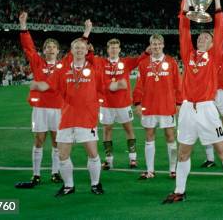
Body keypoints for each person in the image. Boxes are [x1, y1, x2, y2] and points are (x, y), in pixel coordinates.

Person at [163, 0, 223, 206]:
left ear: (212, 44)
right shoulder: (188, 54)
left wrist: (217, 1)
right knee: (183, 152)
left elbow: (220, 29)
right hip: (188, 110)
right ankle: (179, 191)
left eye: (206, 38)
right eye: (200, 36)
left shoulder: (216, 57)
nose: (201, 38)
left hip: (208, 109)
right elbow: (183, 28)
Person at [14, 13, 90, 189]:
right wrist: (23, 25)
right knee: (39, 140)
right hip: (40, 108)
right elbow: (28, 48)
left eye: (53, 47)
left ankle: (55, 173)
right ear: (44, 50)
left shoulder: (63, 65)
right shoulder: (37, 63)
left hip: (58, 109)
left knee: (57, 141)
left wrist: (86, 32)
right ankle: (36, 175)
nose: (50, 49)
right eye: (47, 47)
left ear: (58, 51)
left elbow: (78, 50)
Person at [31, 38, 106, 197]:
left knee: (93, 153)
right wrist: (37, 86)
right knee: (62, 155)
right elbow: (48, 85)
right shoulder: (62, 70)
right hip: (66, 119)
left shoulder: (94, 70)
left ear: (86, 51)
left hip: (86, 119)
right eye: (76, 48)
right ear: (71, 51)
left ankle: (95, 183)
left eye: (82, 48)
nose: (79, 50)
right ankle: (68, 186)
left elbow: (103, 89)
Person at [88, 34, 149, 171]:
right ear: (107, 50)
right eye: (111, 48)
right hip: (106, 105)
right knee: (107, 130)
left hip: (124, 104)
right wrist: (90, 50)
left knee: (128, 129)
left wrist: (147, 51)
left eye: (116, 48)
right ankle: (109, 160)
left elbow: (141, 59)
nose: (114, 50)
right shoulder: (101, 62)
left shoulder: (126, 62)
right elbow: (89, 58)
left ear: (120, 49)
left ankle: (133, 158)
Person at [133, 34, 181, 179]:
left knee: (170, 135)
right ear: (150, 46)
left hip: (167, 106)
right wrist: (137, 103)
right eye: (154, 44)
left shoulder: (171, 62)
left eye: (159, 44)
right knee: (149, 136)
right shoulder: (143, 64)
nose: (156, 47)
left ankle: (173, 169)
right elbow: (139, 85)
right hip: (148, 106)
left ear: (163, 45)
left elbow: (178, 84)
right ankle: (150, 170)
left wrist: (179, 103)